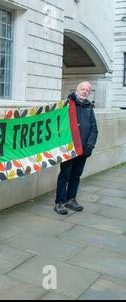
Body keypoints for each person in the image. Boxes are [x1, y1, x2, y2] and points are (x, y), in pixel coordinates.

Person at [54, 81, 98, 215]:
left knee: (76, 175)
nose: (85, 91)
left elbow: (94, 129)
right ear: (77, 90)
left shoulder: (89, 107)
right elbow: (59, 126)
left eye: (87, 90)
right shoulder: (67, 105)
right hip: (69, 148)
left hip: (84, 149)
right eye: (82, 89)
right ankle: (60, 202)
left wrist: (89, 146)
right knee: (65, 175)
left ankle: (70, 199)